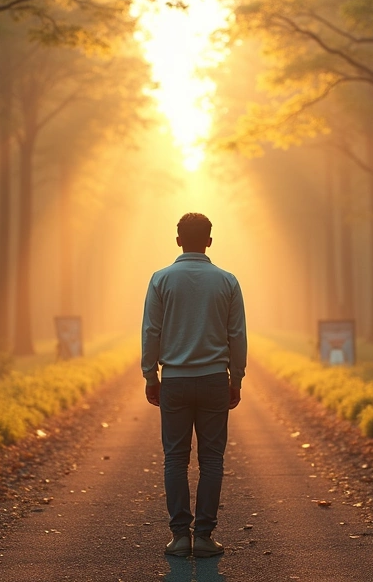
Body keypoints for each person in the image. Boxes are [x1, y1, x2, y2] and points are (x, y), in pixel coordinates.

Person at [142, 212, 246, 559]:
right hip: (215, 379)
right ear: (210, 241)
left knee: (175, 459)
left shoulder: (161, 279)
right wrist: (237, 377)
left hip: (174, 381)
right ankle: (203, 536)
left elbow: (151, 332)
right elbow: (237, 336)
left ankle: (178, 537)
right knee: (212, 459)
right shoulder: (227, 281)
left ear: (177, 240)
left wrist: (150, 375)